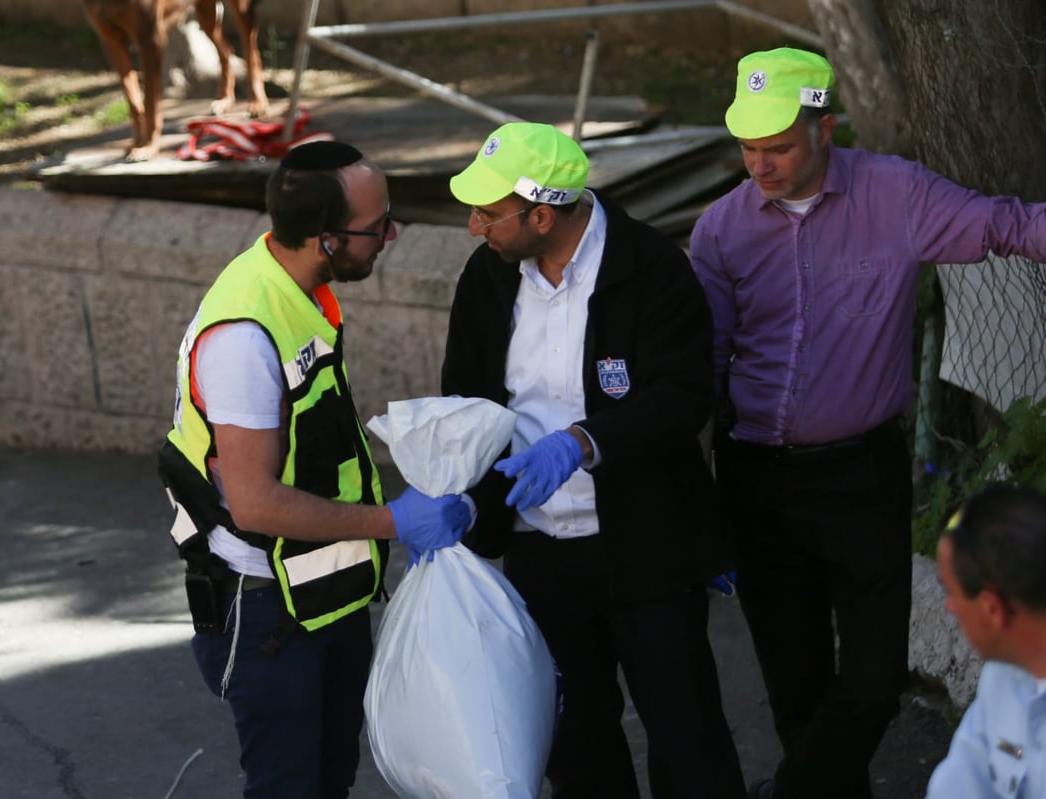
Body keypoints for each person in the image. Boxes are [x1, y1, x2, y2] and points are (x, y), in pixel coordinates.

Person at [688, 47, 1046, 799]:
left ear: (827, 126)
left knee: (875, 679)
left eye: (779, 145)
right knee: (794, 683)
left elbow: (1006, 225)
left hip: (859, 475)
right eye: (748, 147)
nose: (761, 164)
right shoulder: (719, 230)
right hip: (756, 476)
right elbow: (700, 369)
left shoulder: (897, 193)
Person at [441, 121, 745, 799]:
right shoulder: (487, 276)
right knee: (574, 743)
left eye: (488, 212)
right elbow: (462, 394)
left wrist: (581, 442)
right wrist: (457, 494)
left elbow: (683, 394)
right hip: (540, 549)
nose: (472, 226)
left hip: (646, 543)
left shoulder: (653, 268)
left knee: (685, 733)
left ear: (541, 214)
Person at [157, 140, 470, 798]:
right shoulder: (245, 336)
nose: (392, 234)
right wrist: (393, 521)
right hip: (266, 609)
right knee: (288, 788)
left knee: (328, 779)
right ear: (326, 239)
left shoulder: (299, 288)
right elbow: (255, 503)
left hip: (319, 591)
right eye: (378, 224)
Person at [927, 483, 1046, 799]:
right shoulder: (1001, 677)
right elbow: (959, 781)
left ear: (992, 608)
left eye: (951, 593)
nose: (949, 607)